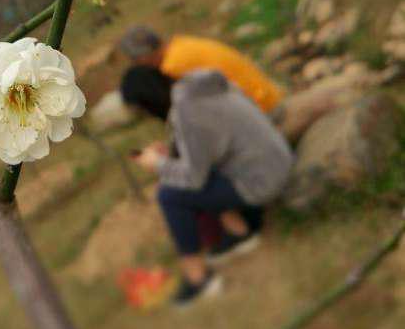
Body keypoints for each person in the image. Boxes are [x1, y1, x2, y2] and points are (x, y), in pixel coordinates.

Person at [121, 65, 293, 307]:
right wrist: (171, 154)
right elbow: (207, 149)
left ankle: (199, 279)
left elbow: (194, 178)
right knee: (185, 178)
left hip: (262, 181)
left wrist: (158, 164)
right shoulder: (197, 88)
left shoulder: (187, 112)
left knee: (170, 195)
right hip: (275, 160)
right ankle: (240, 234)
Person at [118, 26, 284, 114]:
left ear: (144, 56)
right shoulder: (181, 44)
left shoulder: (174, 66)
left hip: (261, 109)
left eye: (136, 60)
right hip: (267, 95)